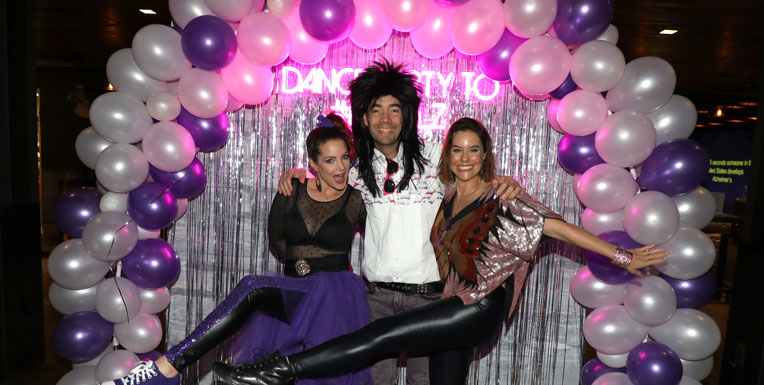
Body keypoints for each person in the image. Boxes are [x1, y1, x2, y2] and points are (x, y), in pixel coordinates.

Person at [212, 117, 669, 385]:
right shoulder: (447, 197)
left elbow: (559, 229)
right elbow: (336, 180)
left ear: (486, 153)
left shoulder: (502, 196)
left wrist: (623, 256)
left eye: (474, 150)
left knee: (381, 338)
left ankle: (272, 372)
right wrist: (300, 173)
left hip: (476, 307)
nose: (465, 157)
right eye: (457, 150)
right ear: (446, 157)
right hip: (455, 307)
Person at [278, 61, 522, 385]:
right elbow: (319, 186)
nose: (385, 119)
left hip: (430, 301)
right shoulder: (351, 171)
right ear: (363, 118)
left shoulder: (438, 158)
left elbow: (475, 180)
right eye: (376, 110)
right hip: (375, 299)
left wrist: (506, 183)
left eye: (395, 109)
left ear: (407, 114)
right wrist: (296, 175)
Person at [102, 115, 373, 385]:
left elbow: (378, 234)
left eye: (344, 158)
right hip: (296, 290)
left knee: (256, 289)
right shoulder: (292, 188)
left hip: (335, 297)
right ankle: (167, 369)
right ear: (313, 164)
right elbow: (276, 238)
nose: (340, 168)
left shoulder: (356, 199)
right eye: (330, 160)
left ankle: (168, 368)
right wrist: (301, 264)